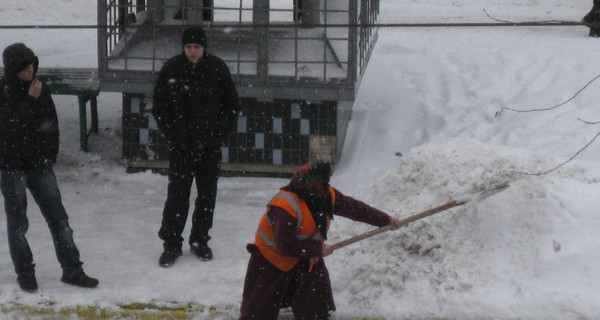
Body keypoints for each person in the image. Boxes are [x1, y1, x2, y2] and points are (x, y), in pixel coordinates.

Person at [238, 161, 403, 320]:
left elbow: (354, 209)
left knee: (315, 308)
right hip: (272, 261)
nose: (326, 187)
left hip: (306, 259)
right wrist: (317, 249)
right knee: (259, 313)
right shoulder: (285, 206)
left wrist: (384, 220)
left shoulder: (325, 195)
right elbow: (286, 247)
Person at [0, 43, 99, 292]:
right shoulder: (5, 92)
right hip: (12, 166)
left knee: (59, 219)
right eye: (25, 68)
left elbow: (49, 122)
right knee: (18, 223)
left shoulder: (40, 88)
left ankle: (72, 269)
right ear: (13, 70)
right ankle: (25, 272)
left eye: (32, 66)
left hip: (39, 164)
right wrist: (29, 100)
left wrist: (49, 155)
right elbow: (9, 129)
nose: (30, 71)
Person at [152, 27, 240, 267]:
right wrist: (173, 134)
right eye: (188, 47)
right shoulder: (171, 69)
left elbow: (231, 105)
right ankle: (171, 244)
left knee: (206, 195)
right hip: (182, 147)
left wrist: (219, 132)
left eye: (196, 47)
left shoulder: (217, 69)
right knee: (177, 196)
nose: (192, 51)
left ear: (204, 48)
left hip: (210, 147)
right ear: (183, 47)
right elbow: (160, 107)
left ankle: (200, 240)